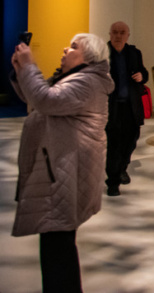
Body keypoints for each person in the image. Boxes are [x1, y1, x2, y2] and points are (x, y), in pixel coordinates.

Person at [10, 33, 114, 293]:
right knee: (57, 246)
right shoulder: (76, 79)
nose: (65, 49)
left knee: (58, 249)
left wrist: (30, 66)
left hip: (64, 174)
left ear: (89, 57)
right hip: (59, 171)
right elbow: (38, 98)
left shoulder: (87, 82)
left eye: (73, 47)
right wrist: (20, 72)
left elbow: (46, 100)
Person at [105, 21, 148, 197]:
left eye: (122, 32)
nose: (118, 35)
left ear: (127, 35)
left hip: (131, 106)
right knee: (113, 144)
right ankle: (113, 182)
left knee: (131, 140)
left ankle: (122, 168)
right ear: (109, 34)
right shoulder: (102, 53)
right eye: (115, 32)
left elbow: (144, 72)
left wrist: (141, 76)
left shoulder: (134, 53)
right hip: (111, 107)